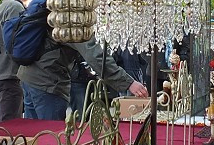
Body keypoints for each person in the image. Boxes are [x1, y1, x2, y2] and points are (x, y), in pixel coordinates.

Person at [20, 38, 148, 121]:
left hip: (28, 76)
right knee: (50, 138)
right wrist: (128, 83)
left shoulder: (58, 11)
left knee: (34, 135)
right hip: (47, 81)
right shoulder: (75, 19)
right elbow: (96, 57)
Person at [0, 0, 32, 121]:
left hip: (1, 71)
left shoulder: (3, 6)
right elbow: (17, 41)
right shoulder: (15, 7)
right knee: (10, 125)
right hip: (9, 72)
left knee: (5, 119)